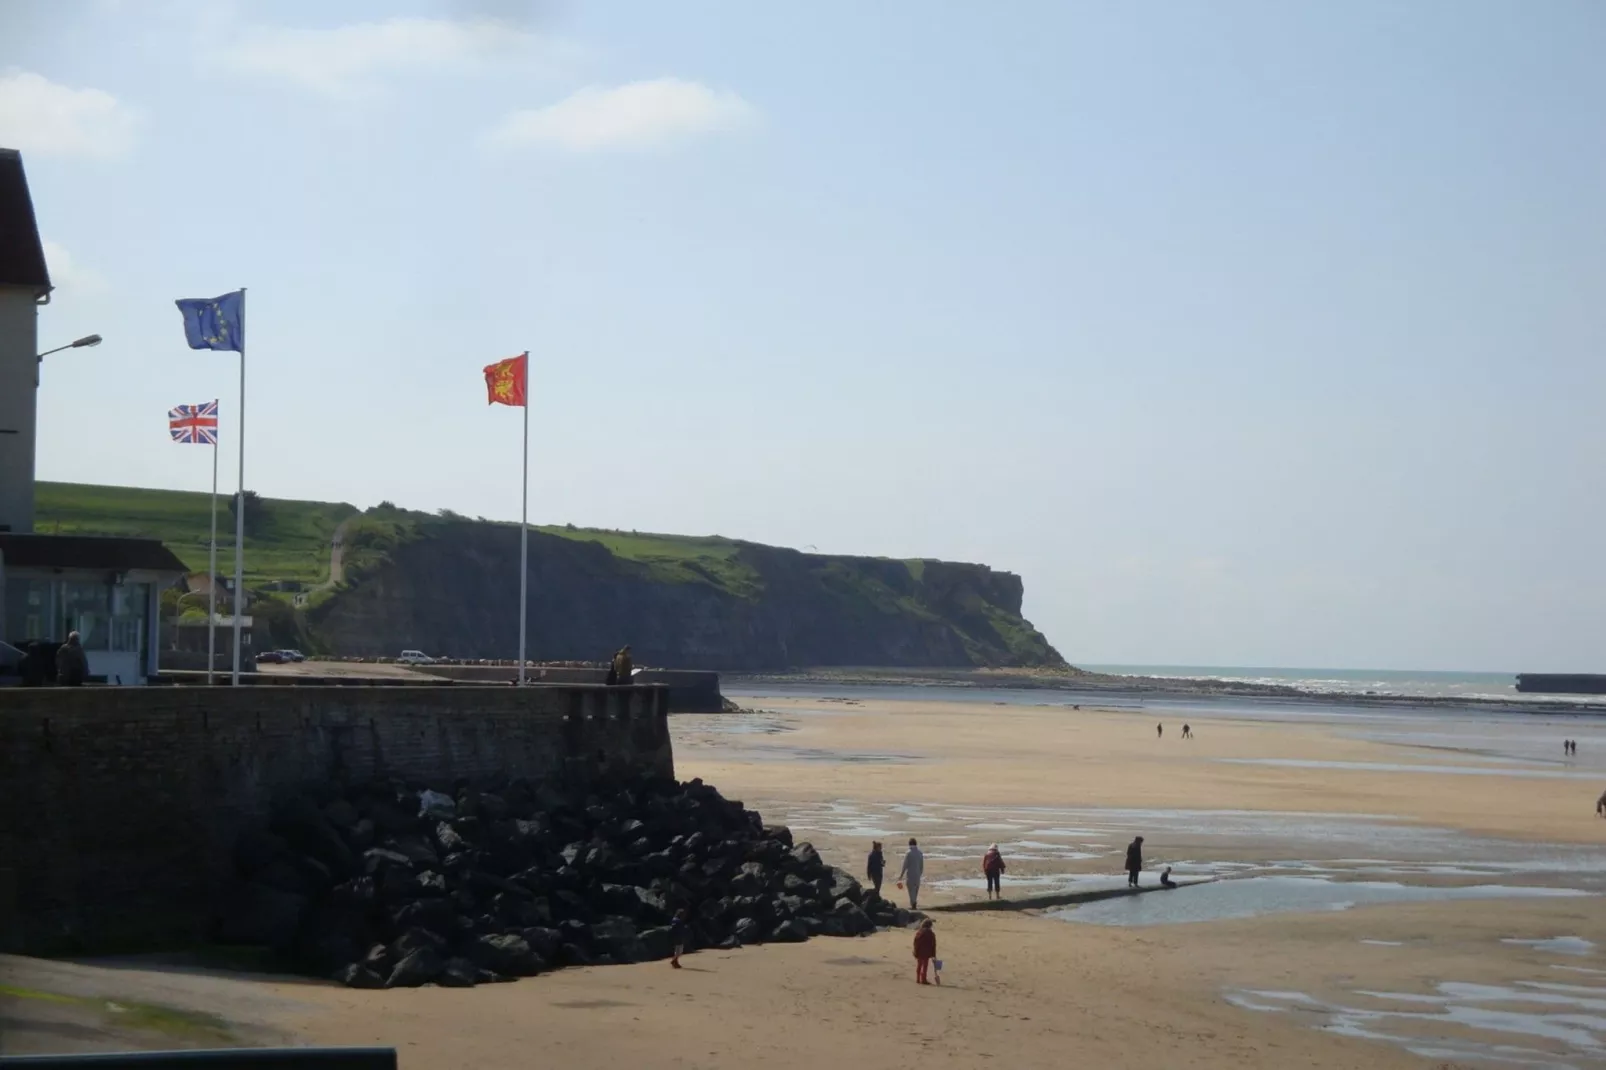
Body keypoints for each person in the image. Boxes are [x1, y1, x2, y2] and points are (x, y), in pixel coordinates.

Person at [897, 837, 925, 909]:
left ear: (909, 844)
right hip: (917, 875)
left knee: (911, 889)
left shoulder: (908, 853)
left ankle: (913, 903)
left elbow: (905, 865)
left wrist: (901, 876)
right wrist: (920, 873)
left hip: (910, 875)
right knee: (915, 890)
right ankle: (913, 902)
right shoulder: (920, 853)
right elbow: (922, 866)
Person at [912, 919, 937, 985]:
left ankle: (918, 979)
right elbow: (933, 945)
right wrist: (933, 955)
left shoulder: (919, 932)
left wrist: (915, 951)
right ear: (930, 926)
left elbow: (915, 942)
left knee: (919, 965)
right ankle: (923, 979)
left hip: (919, 951)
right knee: (925, 966)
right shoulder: (931, 933)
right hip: (926, 952)